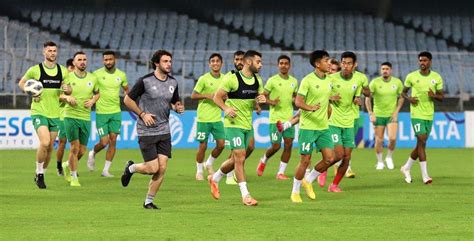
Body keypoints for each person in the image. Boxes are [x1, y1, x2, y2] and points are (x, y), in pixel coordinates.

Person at [121, 50, 184, 210]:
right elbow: (127, 100)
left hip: (164, 130)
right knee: (152, 168)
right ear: (156, 63)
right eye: (165, 61)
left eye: (170, 61)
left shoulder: (173, 82)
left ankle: (148, 201)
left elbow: (174, 101)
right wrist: (142, 114)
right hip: (147, 130)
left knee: (162, 168)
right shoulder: (145, 81)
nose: (169, 64)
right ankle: (131, 168)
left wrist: (177, 107)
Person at [207, 50, 266, 206]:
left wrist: (260, 100)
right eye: (258, 61)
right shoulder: (232, 79)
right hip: (233, 124)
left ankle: (215, 178)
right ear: (248, 62)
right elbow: (216, 97)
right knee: (239, 158)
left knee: (237, 157)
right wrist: (226, 109)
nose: (261, 64)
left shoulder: (257, 80)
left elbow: (256, 100)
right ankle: (245, 195)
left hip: (247, 124)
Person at [18, 41, 69, 189]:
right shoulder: (35, 70)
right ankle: (39, 173)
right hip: (39, 111)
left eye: (54, 51)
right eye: (49, 51)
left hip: (55, 113)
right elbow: (22, 83)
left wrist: (67, 89)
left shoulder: (63, 71)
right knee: (45, 142)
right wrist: (31, 94)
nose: (52, 53)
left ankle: (41, 174)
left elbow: (68, 90)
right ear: (44, 52)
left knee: (50, 148)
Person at [290, 50, 336, 203]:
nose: (329, 63)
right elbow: (298, 101)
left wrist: (328, 107)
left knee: (330, 158)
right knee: (305, 160)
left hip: (323, 127)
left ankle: (308, 181)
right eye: (326, 60)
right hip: (308, 127)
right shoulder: (307, 80)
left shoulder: (329, 80)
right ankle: (295, 191)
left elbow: (324, 98)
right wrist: (309, 108)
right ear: (317, 64)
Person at [400, 51, 443, 184]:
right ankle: (425, 176)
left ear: (430, 61)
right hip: (416, 114)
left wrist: (434, 95)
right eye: (420, 60)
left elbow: (441, 97)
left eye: (424, 60)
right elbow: (403, 92)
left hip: (429, 115)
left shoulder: (436, 77)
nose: (422, 63)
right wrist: (409, 99)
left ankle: (406, 167)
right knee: (422, 140)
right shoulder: (411, 76)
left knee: (420, 143)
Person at [324, 51, 363, 192]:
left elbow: (361, 96)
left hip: (349, 122)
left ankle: (334, 185)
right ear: (341, 63)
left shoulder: (359, 79)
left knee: (347, 157)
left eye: (349, 63)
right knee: (338, 155)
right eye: (344, 63)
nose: (346, 66)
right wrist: (330, 98)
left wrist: (359, 100)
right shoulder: (331, 78)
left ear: (354, 65)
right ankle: (317, 172)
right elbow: (320, 96)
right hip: (334, 121)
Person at [60, 51, 100, 187]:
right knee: (74, 147)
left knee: (82, 150)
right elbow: (58, 95)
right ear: (74, 63)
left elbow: (98, 93)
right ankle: (74, 177)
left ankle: (67, 164)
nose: (82, 61)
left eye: (84, 59)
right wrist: (67, 97)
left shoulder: (93, 78)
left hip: (85, 117)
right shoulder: (67, 77)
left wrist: (93, 100)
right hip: (70, 115)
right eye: (79, 59)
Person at [87, 51, 129, 177]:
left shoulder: (121, 75)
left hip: (116, 112)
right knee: (104, 142)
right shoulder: (96, 75)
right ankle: (93, 152)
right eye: (105, 60)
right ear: (103, 60)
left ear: (114, 59)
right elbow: (90, 90)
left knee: (113, 141)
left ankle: (105, 170)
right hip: (101, 113)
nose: (108, 62)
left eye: (110, 59)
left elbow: (127, 90)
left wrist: (130, 101)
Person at [256, 55, 298, 180]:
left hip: (289, 119)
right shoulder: (272, 80)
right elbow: (262, 97)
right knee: (276, 146)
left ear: (289, 65)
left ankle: (280, 172)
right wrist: (271, 102)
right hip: (275, 119)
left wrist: (295, 100)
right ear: (278, 65)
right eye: (281, 63)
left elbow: (296, 96)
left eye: (286, 63)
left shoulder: (294, 81)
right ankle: (264, 159)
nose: (283, 65)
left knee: (288, 145)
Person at [191, 53, 226, 180]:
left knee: (221, 144)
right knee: (202, 145)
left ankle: (209, 163)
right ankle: (199, 171)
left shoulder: (225, 79)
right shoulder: (203, 79)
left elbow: (227, 95)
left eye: (217, 61)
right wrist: (208, 95)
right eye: (213, 61)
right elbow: (193, 95)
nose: (215, 63)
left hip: (217, 118)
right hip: (204, 118)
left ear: (221, 64)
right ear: (209, 64)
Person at [365, 62, 404, 170]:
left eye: (387, 69)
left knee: (392, 138)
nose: (385, 70)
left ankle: (389, 157)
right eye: (383, 69)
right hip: (378, 115)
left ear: (391, 70)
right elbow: (368, 98)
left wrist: (396, 111)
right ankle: (380, 161)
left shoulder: (397, 82)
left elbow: (401, 97)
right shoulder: (375, 83)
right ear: (380, 70)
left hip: (391, 115)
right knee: (379, 140)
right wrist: (370, 113)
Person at [55, 58, 75, 176]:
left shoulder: (80, 80)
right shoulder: (62, 81)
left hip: (77, 116)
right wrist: (66, 97)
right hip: (63, 115)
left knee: (76, 145)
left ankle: (71, 167)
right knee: (63, 141)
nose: (73, 70)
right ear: (68, 68)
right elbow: (57, 96)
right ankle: (59, 166)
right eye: (71, 68)